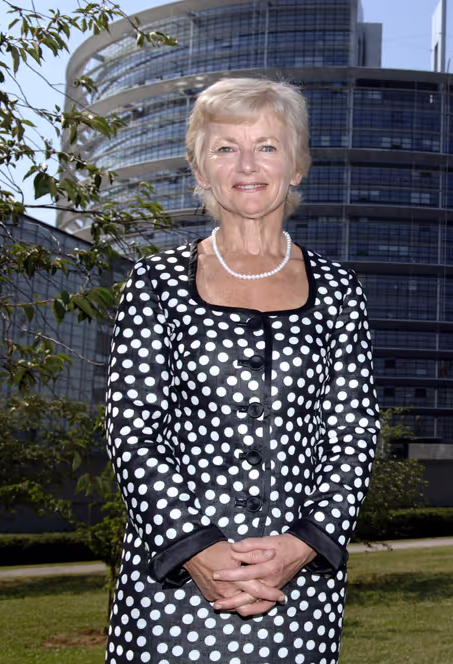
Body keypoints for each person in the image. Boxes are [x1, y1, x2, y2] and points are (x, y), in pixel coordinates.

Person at [104, 78, 378, 664]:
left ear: (298, 165)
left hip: (298, 587)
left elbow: (353, 434)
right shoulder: (157, 283)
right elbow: (133, 429)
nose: (247, 164)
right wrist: (198, 550)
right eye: (225, 147)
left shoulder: (339, 292)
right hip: (172, 584)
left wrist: (303, 546)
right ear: (200, 170)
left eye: (267, 146)